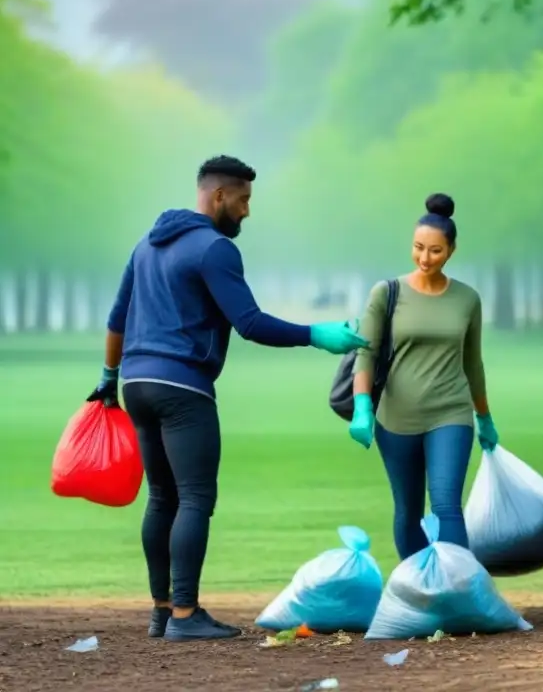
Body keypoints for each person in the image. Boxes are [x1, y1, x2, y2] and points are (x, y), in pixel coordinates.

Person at [86, 155, 370, 642]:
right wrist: (316, 334)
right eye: (243, 200)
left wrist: (108, 379)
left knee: (161, 497)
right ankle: (184, 615)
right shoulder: (214, 249)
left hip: (136, 383)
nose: (246, 212)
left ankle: (162, 611)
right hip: (183, 387)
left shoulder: (145, 246)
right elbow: (251, 322)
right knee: (195, 498)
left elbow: (117, 321)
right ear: (218, 196)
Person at [348, 193, 499, 561]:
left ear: (451, 250)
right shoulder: (387, 293)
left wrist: (484, 417)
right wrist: (362, 407)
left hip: (450, 413)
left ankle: (458, 591)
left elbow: (472, 363)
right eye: (418, 248)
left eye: (435, 250)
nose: (425, 258)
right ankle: (419, 593)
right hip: (396, 417)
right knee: (409, 511)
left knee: (447, 505)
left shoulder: (467, 299)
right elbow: (365, 353)